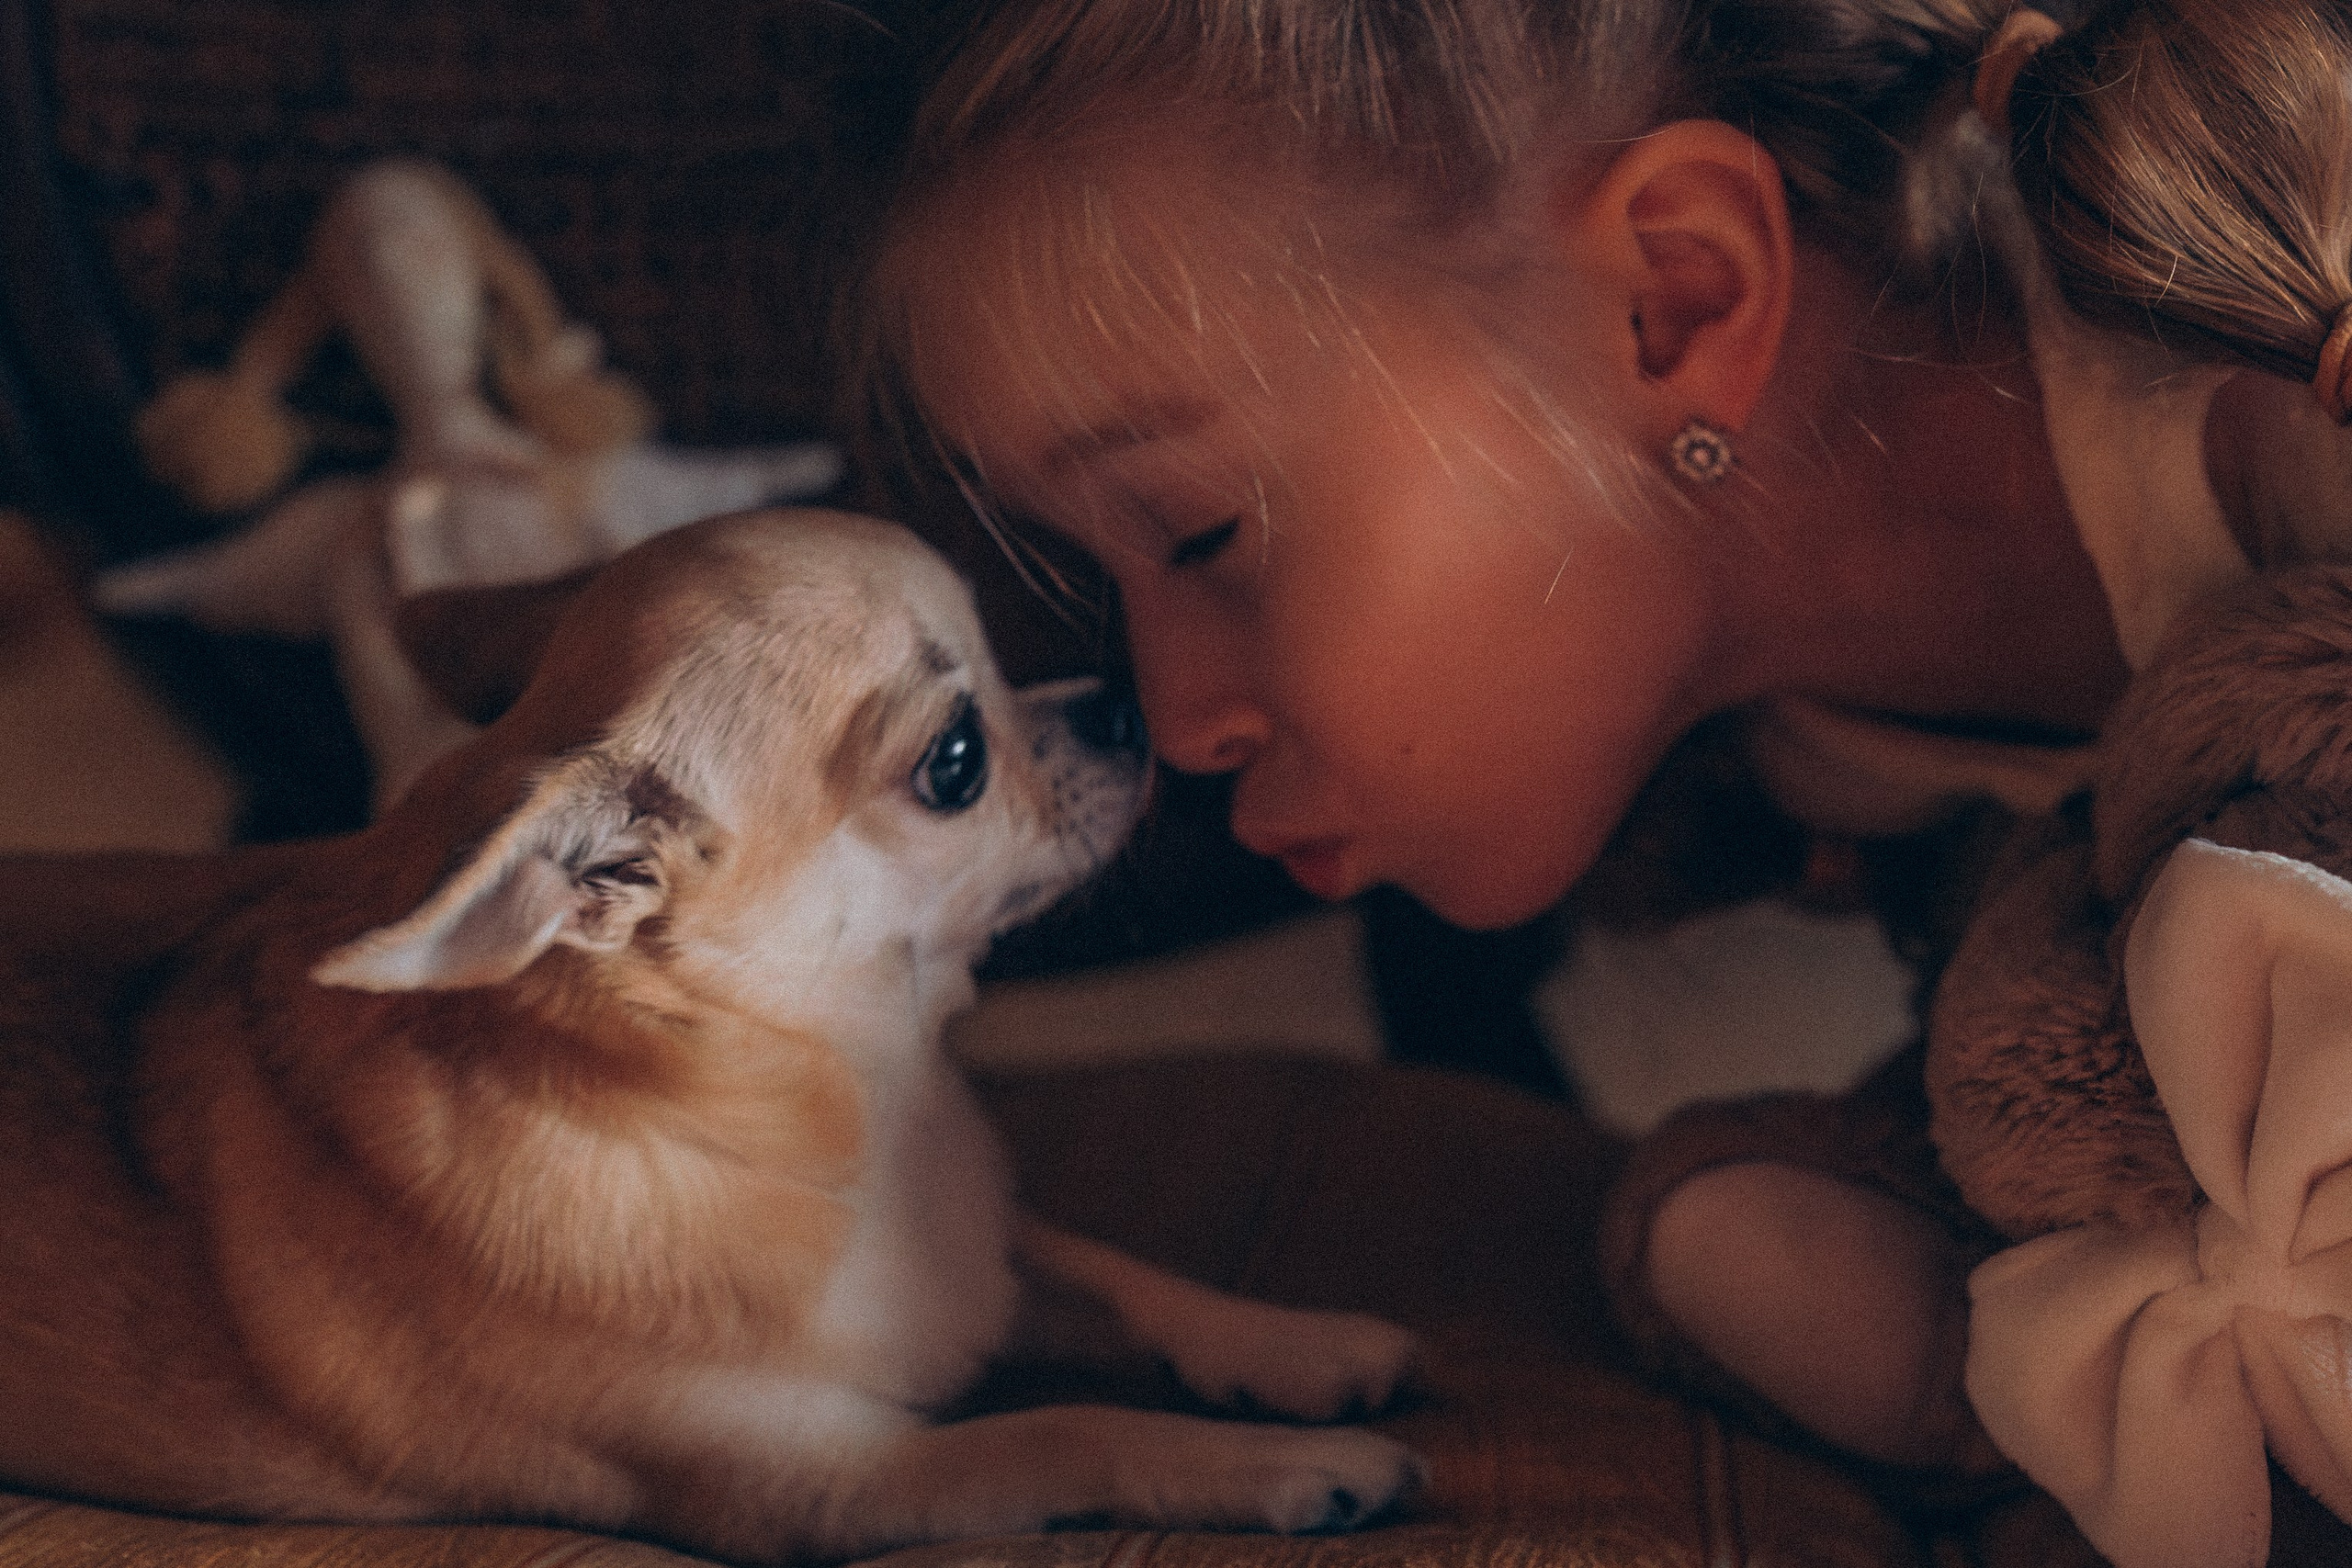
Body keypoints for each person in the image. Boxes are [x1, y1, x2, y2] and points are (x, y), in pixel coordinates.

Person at [855, 0, 2352, 1506]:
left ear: (1675, 296)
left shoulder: (2276, 419)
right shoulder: (1822, 768)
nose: (1179, 719)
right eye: (1105, 589)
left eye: (1201, 535)